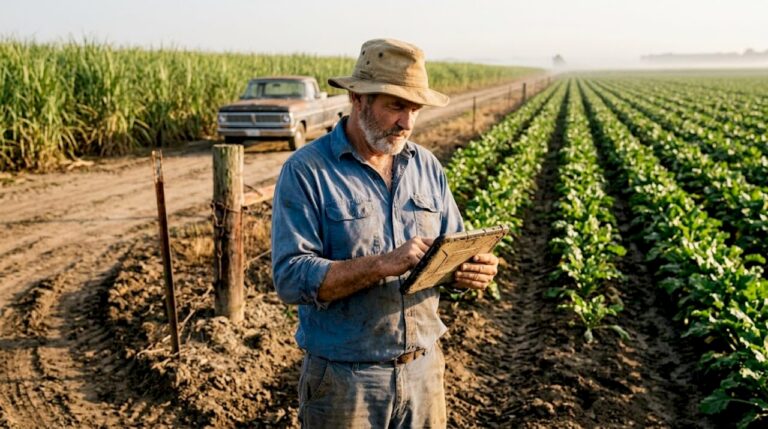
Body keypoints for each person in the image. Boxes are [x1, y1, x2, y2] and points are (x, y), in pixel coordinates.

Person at [271, 38, 499, 428]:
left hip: (424, 373)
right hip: (345, 383)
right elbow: (291, 278)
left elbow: (451, 246)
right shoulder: (307, 171)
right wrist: (382, 264)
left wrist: (471, 269)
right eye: (395, 105)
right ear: (358, 100)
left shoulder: (426, 166)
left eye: (414, 109)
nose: (407, 122)